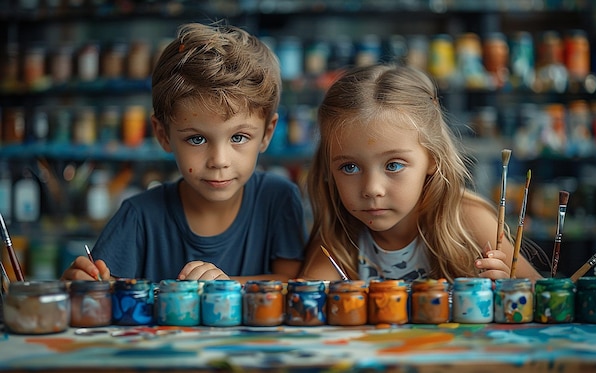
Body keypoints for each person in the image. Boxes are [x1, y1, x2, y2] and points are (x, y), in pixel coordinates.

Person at [61, 22, 307, 283]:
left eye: (238, 137)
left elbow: (290, 283)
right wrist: (83, 286)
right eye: (197, 139)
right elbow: (100, 290)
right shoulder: (139, 216)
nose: (219, 161)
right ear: (163, 135)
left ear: (266, 134)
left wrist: (226, 287)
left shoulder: (278, 198)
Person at [299, 64, 545, 283]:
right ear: (328, 169)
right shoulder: (338, 234)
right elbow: (308, 299)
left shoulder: (467, 220)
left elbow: (539, 290)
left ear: (432, 158)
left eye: (393, 165)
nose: (372, 188)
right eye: (349, 167)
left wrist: (509, 287)